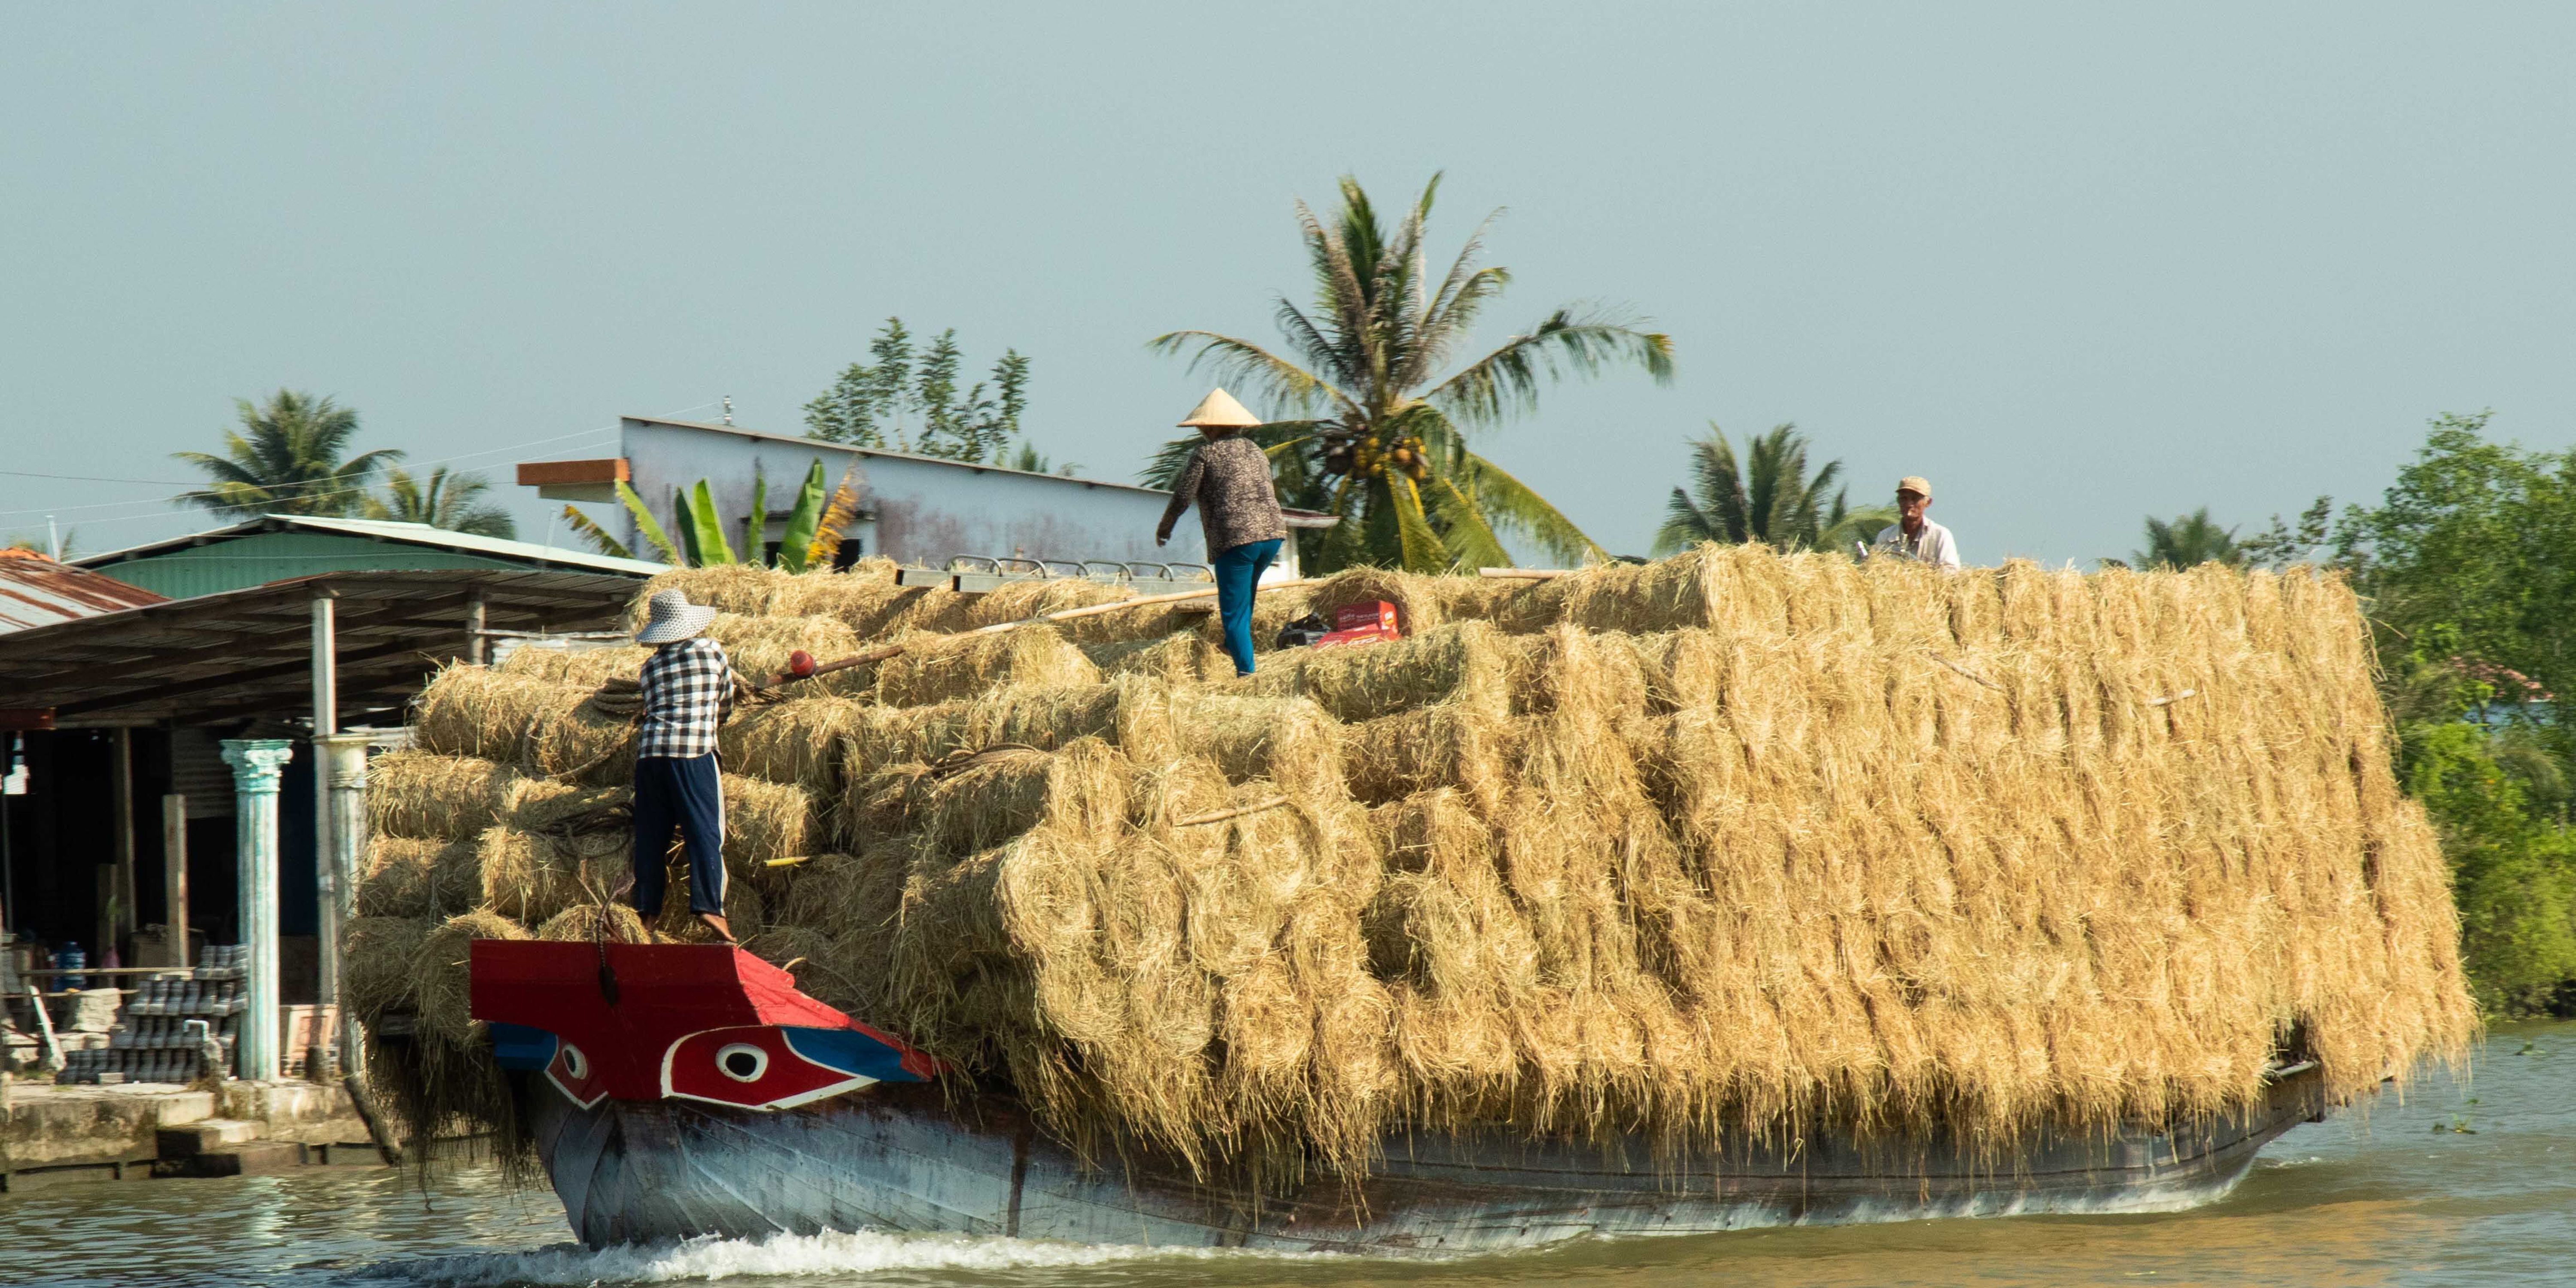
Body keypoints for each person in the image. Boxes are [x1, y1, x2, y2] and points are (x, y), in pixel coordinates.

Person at [630, 589, 737, 943]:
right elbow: (726, 702)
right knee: (705, 832)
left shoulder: (649, 668)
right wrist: (715, 719)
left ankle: (646, 912)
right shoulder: (710, 650)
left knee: (651, 838)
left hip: (650, 756)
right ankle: (709, 907)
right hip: (693, 753)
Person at [1156, 389, 1287, 677]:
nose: (1202, 432)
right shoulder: (1256, 451)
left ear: (1212, 427)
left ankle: (1247, 675)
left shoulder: (1206, 453)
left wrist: (1165, 527)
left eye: (1203, 427)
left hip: (1236, 539)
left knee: (1234, 613)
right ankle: (1231, 644)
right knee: (1245, 599)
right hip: (1272, 535)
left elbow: (1183, 496)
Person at [1871, 475, 1961, 569]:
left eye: (1915, 499)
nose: (1909, 504)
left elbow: (1951, 570)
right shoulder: (1886, 537)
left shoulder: (1940, 535)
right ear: (1898, 501)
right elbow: (1877, 569)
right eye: (1904, 499)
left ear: (1928, 503)